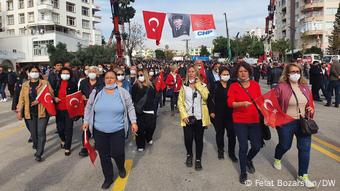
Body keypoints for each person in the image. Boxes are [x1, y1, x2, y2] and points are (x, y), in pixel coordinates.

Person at [83, 70, 138, 189]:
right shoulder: (97, 92)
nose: (109, 80)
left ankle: (121, 167)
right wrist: (86, 121)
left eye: (112, 78)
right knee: (104, 156)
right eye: (107, 77)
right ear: (104, 79)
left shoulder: (123, 93)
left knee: (118, 153)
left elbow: (130, 107)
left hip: (117, 130)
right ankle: (108, 178)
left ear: (116, 79)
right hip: (99, 131)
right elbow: (89, 107)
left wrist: (133, 122)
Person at [273, 63, 316, 188]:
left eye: (298, 71)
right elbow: (272, 104)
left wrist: (310, 109)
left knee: (305, 148)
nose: (296, 74)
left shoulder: (305, 87)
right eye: (293, 71)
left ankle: (303, 175)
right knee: (285, 145)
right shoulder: (280, 87)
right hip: (286, 122)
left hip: (303, 121)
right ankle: (277, 157)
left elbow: (310, 102)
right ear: (287, 74)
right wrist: (273, 118)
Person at [227, 62, 262, 184]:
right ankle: (243, 172)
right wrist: (242, 104)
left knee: (257, 146)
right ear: (237, 73)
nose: (243, 73)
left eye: (245, 71)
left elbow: (260, 102)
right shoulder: (233, 86)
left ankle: (248, 159)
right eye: (240, 71)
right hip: (240, 120)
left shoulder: (255, 85)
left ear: (249, 72)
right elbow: (230, 103)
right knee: (243, 146)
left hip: (254, 120)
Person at [16, 65, 54, 162]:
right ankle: (38, 147)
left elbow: (51, 95)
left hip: (42, 112)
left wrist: (40, 100)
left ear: (39, 72)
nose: (34, 73)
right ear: (29, 73)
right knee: (33, 134)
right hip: (29, 113)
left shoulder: (45, 83)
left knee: (41, 132)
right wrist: (19, 111)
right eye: (32, 71)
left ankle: (39, 153)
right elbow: (21, 99)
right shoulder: (25, 85)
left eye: (36, 71)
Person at [177, 65, 210, 171]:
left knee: (199, 140)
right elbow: (180, 102)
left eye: (193, 72)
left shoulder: (203, 85)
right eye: (189, 72)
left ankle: (198, 160)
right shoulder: (184, 86)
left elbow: (206, 97)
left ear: (197, 73)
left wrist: (198, 85)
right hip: (187, 118)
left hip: (200, 118)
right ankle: (189, 155)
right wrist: (184, 115)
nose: (191, 73)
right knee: (188, 138)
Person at [208, 67, 237, 162]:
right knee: (219, 134)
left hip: (231, 114)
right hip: (218, 114)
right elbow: (210, 99)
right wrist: (211, 111)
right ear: (220, 75)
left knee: (232, 134)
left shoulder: (232, 85)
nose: (226, 76)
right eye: (224, 74)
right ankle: (220, 150)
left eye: (227, 74)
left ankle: (231, 153)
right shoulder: (215, 85)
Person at [78, 66, 104, 157]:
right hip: (86, 108)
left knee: (97, 127)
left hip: (98, 108)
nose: (92, 73)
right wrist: (82, 96)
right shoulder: (83, 82)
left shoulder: (102, 82)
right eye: (90, 71)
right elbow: (80, 92)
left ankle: (98, 143)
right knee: (86, 126)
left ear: (97, 73)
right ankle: (85, 146)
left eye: (94, 71)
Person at [54, 67, 78, 156]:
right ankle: (63, 140)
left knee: (68, 129)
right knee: (60, 129)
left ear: (70, 75)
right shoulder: (57, 83)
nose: (65, 75)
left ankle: (67, 147)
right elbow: (52, 94)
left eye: (67, 73)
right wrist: (54, 98)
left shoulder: (73, 84)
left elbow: (76, 96)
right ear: (60, 74)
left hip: (69, 110)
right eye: (63, 73)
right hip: (59, 110)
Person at [131, 70, 156, 151]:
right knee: (140, 129)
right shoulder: (135, 86)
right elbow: (133, 98)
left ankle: (148, 138)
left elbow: (154, 98)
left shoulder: (151, 86)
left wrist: (154, 109)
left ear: (145, 75)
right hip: (139, 111)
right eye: (138, 75)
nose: (140, 77)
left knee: (151, 127)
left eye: (141, 75)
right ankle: (140, 145)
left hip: (150, 110)